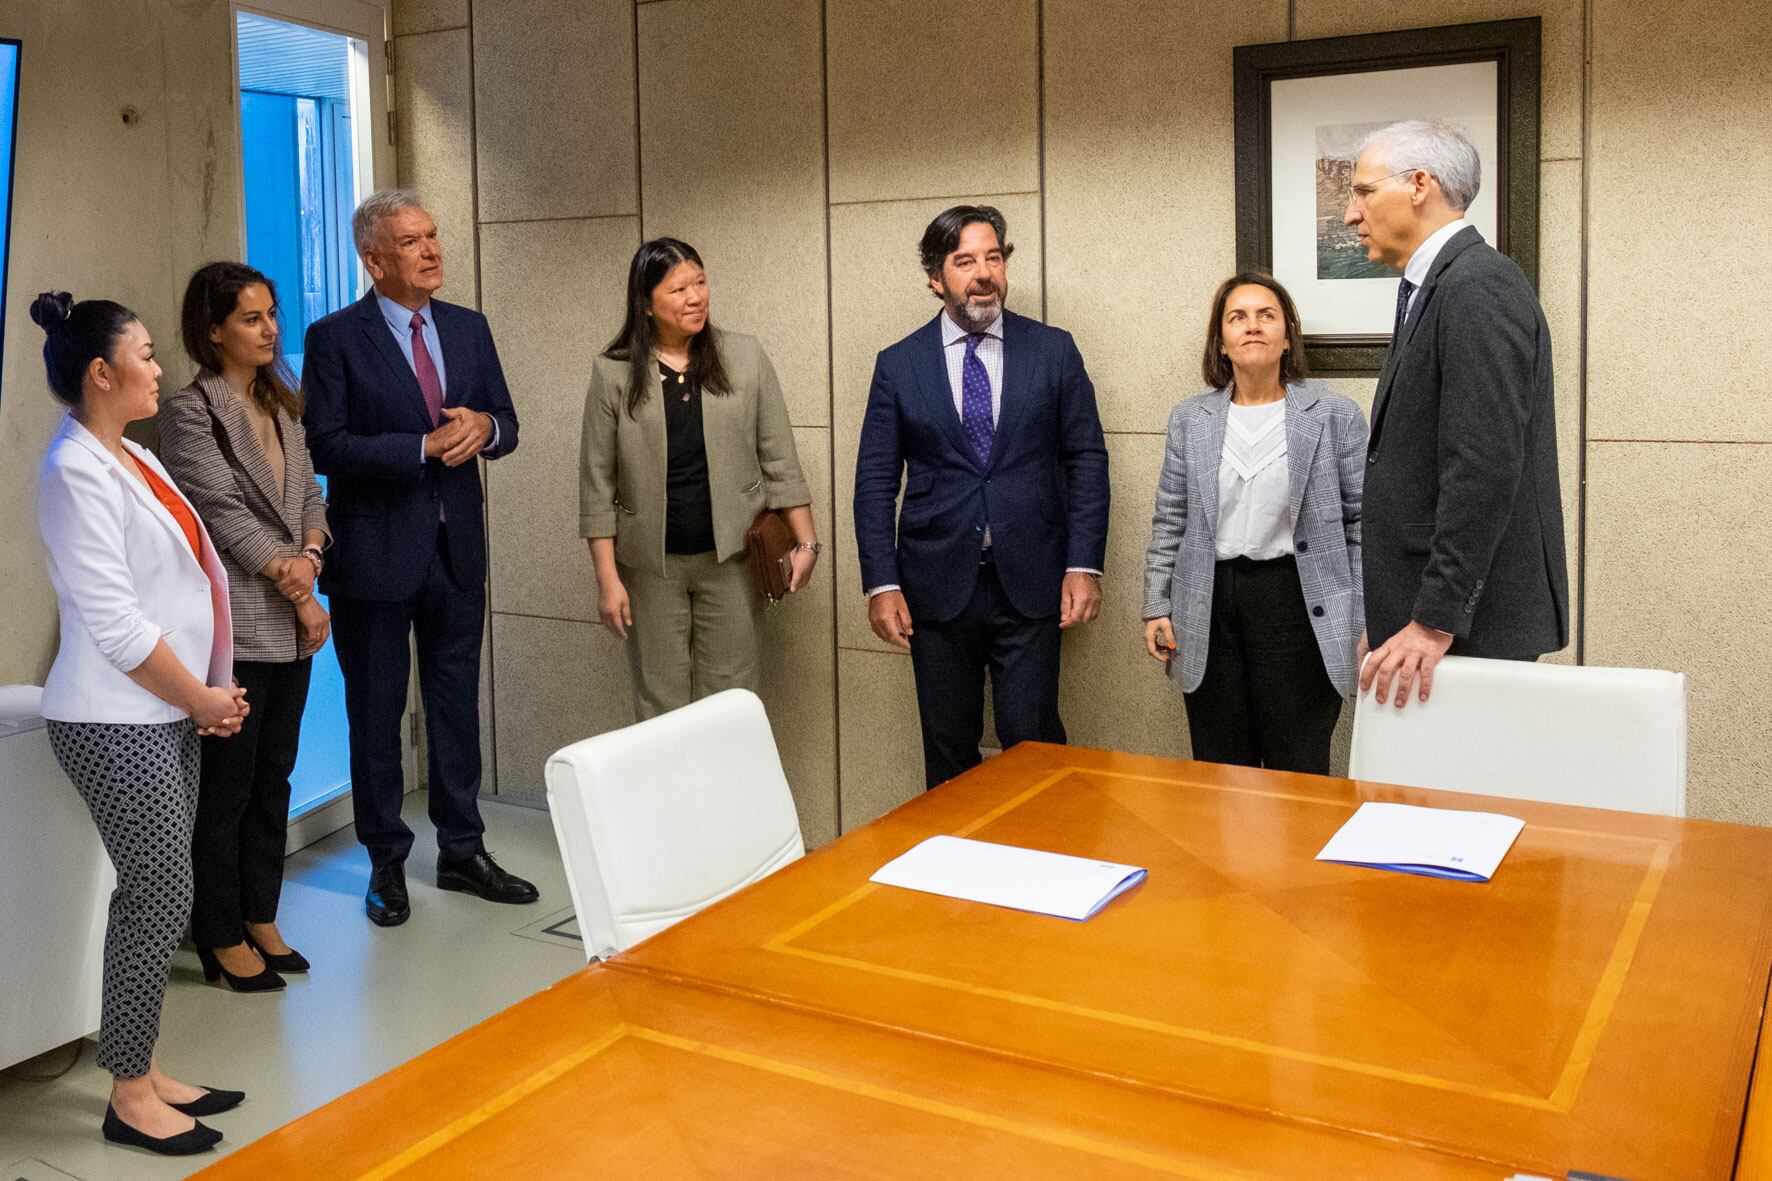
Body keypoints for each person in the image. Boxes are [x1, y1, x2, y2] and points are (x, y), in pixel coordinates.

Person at [31, 291, 250, 1155]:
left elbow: (197, 579)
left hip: (163, 707)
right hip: (112, 714)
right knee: (157, 892)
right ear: (101, 372)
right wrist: (201, 696)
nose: (160, 368)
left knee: (168, 889)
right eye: (147, 354)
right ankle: (127, 1093)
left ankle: (147, 1066)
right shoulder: (73, 471)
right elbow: (117, 624)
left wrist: (210, 687)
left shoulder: (133, 457)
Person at [302, 188, 537, 927]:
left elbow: (509, 421)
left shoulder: (468, 327)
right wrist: (420, 447)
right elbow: (326, 444)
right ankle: (386, 863)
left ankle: (463, 850)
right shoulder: (335, 337)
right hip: (374, 554)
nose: (432, 251)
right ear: (374, 258)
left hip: (455, 546)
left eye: (433, 236)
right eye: (412, 241)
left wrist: (485, 428)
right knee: (375, 715)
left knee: (454, 709)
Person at [853, 205, 1110, 789]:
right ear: (935, 279)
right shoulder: (898, 365)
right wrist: (882, 583)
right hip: (935, 588)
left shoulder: (1054, 351)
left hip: (1033, 580)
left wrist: (1083, 564)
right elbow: (874, 481)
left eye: (993, 257)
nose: (983, 273)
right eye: (965, 261)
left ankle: (1046, 865)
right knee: (948, 747)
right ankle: (955, 874)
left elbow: (1087, 460)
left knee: (1035, 743)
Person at [1342, 120, 1568, 708]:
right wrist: (1398, 613)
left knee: (1464, 800)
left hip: (1469, 630)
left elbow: (1484, 465)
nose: (1350, 213)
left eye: (1363, 192)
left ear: (1419, 184)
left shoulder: (1477, 287)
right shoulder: (1434, 285)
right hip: (1436, 622)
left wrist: (1432, 620)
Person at [157, 262, 330, 989]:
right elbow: (221, 513)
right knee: (226, 786)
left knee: (275, 776)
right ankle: (219, 929)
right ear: (213, 329)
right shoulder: (190, 410)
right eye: (252, 318)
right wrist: (296, 584)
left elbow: (312, 493)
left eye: (272, 315)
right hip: (239, 619)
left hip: (294, 617)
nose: (269, 329)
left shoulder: (282, 398)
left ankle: (261, 913)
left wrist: (314, 558)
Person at [580, 238, 817, 718]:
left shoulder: (744, 356)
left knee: (732, 700)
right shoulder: (614, 373)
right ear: (646, 304)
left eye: (701, 282)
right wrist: (608, 579)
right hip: (650, 567)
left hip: (730, 558)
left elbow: (779, 457)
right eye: (678, 289)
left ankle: (725, 795)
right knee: (660, 700)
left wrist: (806, 542)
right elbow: (597, 481)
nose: (695, 297)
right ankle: (670, 796)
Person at [1140, 273, 1366, 774]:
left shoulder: (1334, 416)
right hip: (1209, 603)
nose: (1253, 327)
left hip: (1298, 602)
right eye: (1237, 318)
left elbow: (1361, 525)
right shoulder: (1190, 419)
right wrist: (1157, 602)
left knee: (1297, 765)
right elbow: (1170, 517)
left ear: (1288, 336)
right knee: (1221, 768)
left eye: (1267, 316)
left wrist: (1362, 617)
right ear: (1221, 341)